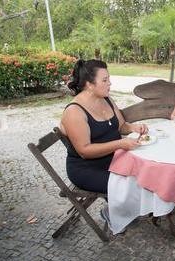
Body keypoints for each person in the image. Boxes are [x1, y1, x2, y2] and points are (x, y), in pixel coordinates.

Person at [60, 59, 148, 194]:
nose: (110, 83)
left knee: (149, 174)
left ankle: (124, 211)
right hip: (88, 169)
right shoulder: (74, 111)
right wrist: (120, 143)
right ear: (89, 84)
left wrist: (133, 128)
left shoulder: (106, 99)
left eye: (109, 79)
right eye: (105, 80)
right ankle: (112, 214)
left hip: (114, 159)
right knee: (135, 186)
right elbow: (85, 151)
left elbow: (121, 125)